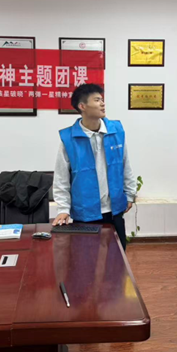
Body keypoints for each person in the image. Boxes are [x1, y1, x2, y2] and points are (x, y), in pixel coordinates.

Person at [52, 84, 137, 250]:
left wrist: (130, 194)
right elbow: (61, 178)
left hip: (114, 209)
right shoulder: (69, 138)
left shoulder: (116, 131)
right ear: (82, 106)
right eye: (97, 100)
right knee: (86, 257)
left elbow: (125, 165)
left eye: (102, 99)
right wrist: (63, 209)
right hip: (85, 212)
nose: (102, 103)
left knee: (117, 257)